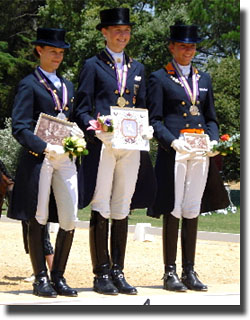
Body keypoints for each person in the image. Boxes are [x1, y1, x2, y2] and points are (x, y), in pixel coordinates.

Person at [74, 8, 156, 295]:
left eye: (127, 31)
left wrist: (146, 128)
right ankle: (101, 273)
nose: (123, 35)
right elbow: (81, 107)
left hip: (131, 146)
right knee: (101, 203)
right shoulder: (92, 65)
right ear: (104, 33)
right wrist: (94, 127)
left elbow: (143, 105)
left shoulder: (138, 68)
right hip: (104, 143)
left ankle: (119, 271)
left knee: (123, 204)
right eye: (117, 30)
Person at [147, 24, 230, 292]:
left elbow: (210, 117)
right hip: (176, 151)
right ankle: (169, 271)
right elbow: (155, 120)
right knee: (174, 207)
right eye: (183, 45)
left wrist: (214, 139)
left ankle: (189, 270)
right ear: (172, 47)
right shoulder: (159, 78)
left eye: (192, 46)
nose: (188, 50)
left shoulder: (203, 78)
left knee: (192, 208)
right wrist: (172, 142)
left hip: (199, 151)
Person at [8, 27, 83, 298]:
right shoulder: (29, 84)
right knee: (38, 216)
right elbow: (20, 127)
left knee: (70, 216)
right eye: (53, 51)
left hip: (66, 157)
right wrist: (43, 146)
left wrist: (77, 133)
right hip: (40, 158)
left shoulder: (67, 85)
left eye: (61, 52)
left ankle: (58, 276)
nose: (58, 57)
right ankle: (40, 277)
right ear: (39, 50)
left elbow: (68, 118)